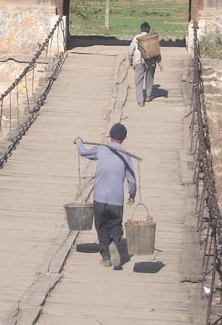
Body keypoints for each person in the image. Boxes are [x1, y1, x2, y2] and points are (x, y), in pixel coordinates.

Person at [74, 123, 137, 269]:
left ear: (110, 136)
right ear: (124, 139)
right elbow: (132, 180)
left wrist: (78, 142)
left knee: (101, 227)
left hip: (100, 198)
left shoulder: (101, 150)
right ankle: (114, 241)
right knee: (115, 224)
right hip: (116, 200)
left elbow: (83, 152)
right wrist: (132, 194)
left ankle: (106, 256)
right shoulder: (126, 156)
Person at [127, 22, 163, 106]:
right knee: (149, 79)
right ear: (149, 30)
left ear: (140, 29)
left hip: (139, 61)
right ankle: (148, 96)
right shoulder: (152, 38)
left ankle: (140, 100)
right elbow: (157, 51)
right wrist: (160, 62)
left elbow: (130, 50)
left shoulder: (136, 38)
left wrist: (131, 60)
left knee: (138, 80)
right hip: (151, 61)